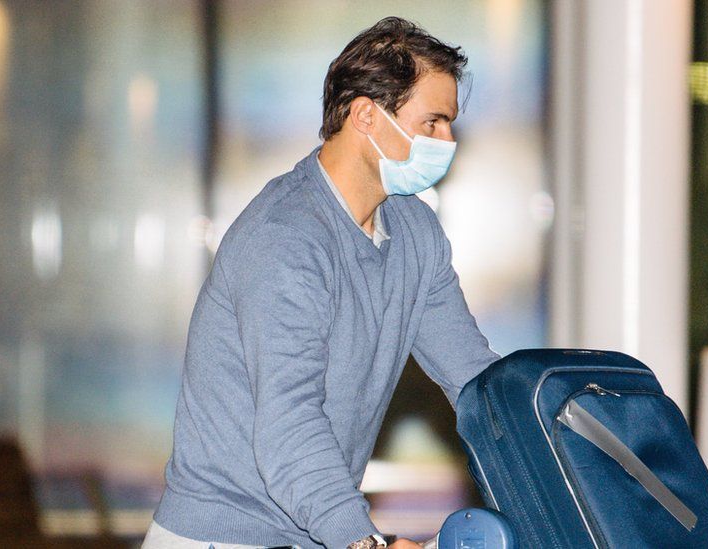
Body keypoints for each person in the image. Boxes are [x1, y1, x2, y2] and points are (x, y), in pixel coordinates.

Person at [143, 16, 499, 549]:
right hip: (224, 536)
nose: (448, 141)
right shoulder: (286, 238)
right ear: (366, 116)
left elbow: (475, 379)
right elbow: (289, 428)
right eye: (434, 122)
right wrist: (363, 540)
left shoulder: (414, 231)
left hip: (310, 534)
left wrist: (561, 453)